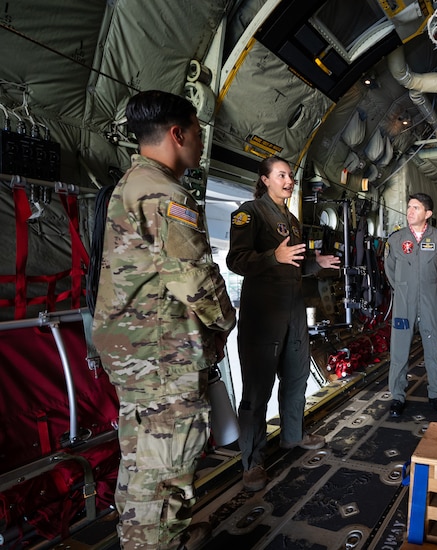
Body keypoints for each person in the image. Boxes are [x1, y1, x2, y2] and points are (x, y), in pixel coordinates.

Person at [92, 90, 237, 550]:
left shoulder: (131, 184)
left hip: (137, 353)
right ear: (177, 134)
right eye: (197, 132)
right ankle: (157, 541)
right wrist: (226, 321)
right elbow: (193, 278)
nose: (200, 141)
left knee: (142, 463)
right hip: (161, 356)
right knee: (167, 473)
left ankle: (145, 536)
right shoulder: (166, 195)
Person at [227, 156, 340, 493]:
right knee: (257, 391)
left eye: (290, 175)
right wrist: (271, 257)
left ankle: (293, 435)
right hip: (263, 316)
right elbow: (236, 260)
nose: (289, 181)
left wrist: (313, 263)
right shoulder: (248, 213)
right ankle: (253, 461)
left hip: (293, 312)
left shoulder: (291, 219)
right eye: (281, 175)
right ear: (265, 180)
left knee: (296, 376)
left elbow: (293, 265)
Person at [384, 193, 437, 417]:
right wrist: (405, 287)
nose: (410, 211)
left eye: (416, 208)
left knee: (434, 347)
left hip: (429, 302)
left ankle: (436, 394)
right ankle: (397, 396)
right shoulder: (395, 240)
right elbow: (390, 270)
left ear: (428, 214)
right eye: (409, 207)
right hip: (404, 303)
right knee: (400, 349)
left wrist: (427, 287)